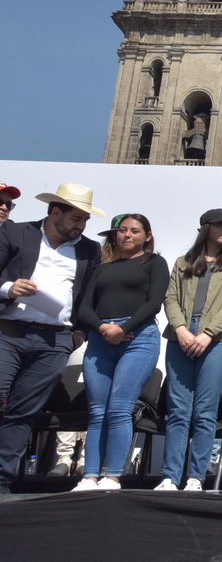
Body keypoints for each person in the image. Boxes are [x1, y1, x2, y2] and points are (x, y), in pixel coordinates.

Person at [0, 183, 103, 494]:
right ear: (55, 213)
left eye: (85, 220)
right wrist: (8, 289)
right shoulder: (16, 233)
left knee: (23, 412)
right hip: (9, 332)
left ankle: (2, 481)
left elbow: (88, 297)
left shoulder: (89, 249)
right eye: (76, 219)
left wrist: (76, 336)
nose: (81, 226)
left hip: (54, 342)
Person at [73, 213, 169, 491]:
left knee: (119, 408)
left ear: (147, 236)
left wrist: (123, 328)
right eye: (123, 230)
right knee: (97, 411)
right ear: (114, 235)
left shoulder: (154, 263)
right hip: (101, 340)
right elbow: (84, 308)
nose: (127, 235)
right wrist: (104, 329)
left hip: (138, 339)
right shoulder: (102, 267)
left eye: (135, 231)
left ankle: (113, 475)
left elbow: (154, 303)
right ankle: (90, 476)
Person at [155, 208, 222, 492]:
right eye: (220, 224)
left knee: (205, 411)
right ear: (205, 227)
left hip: (217, 339)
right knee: (179, 409)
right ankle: (170, 476)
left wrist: (207, 333)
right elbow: (170, 297)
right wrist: (181, 329)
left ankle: (196, 476)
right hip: (179, 336)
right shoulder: (183, 262)